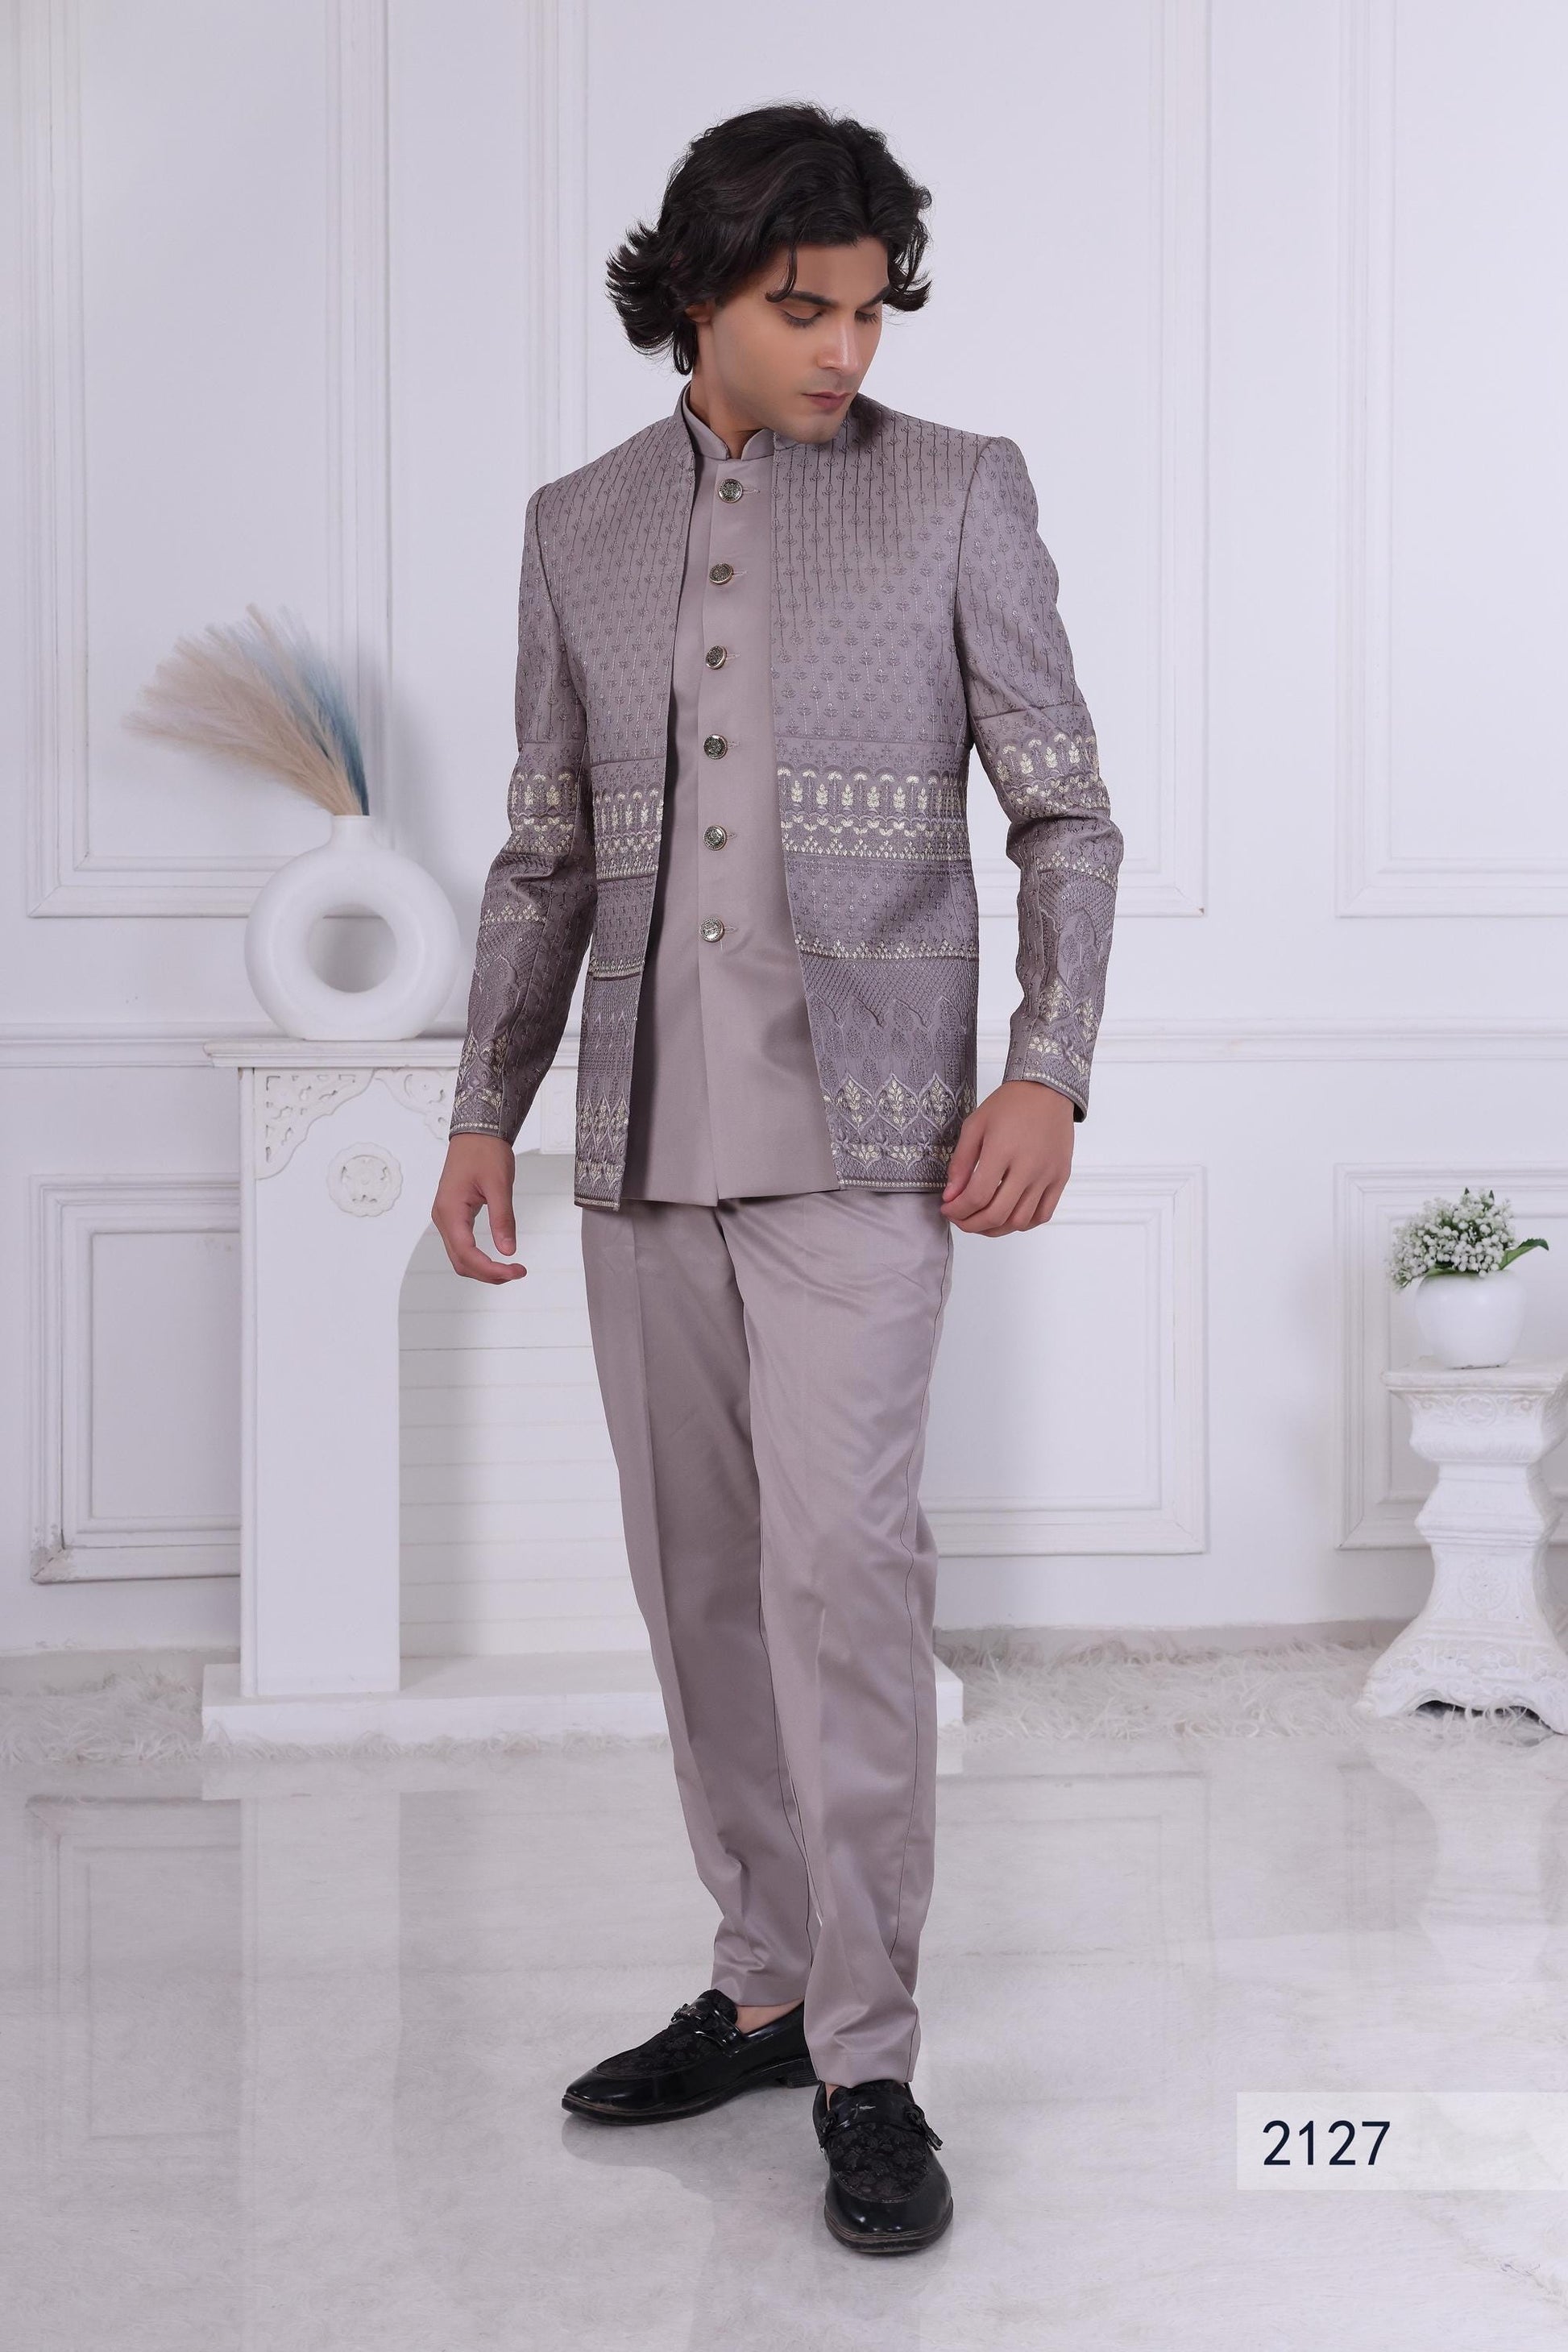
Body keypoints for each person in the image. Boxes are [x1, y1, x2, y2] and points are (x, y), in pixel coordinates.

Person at [431, 100, 1123, 2255]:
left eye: (869, 309)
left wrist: (1048, 1071)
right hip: (645, 1147)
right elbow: (545, 846)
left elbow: (1065, 816)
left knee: (847, 1582)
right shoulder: (576, 524)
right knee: (699, 1587)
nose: (845, 348)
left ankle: (871, 2059)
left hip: (869, 1143)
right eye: (800, 309)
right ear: (698, 300)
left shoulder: (955, 491)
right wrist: (482, 1104)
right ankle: (759, 1986)